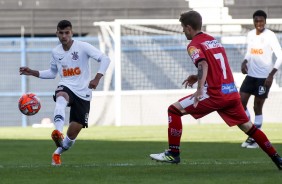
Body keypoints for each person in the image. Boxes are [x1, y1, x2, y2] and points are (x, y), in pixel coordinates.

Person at [149, 10, 282, 170]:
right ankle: (278, 159)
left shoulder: (193, 45)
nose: (183, 31)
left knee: (173, 110)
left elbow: (203, 64)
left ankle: (173, 153)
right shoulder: (213, 41)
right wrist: (197, 77)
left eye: (183, 28)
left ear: (189, 27)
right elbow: (215, 67)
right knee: (249, 128)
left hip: (214, 94)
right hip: (231, 93)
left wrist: (199, 89)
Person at [19, 20, 110, 166]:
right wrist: (32, 72)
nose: (64, 36)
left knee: (71, 137)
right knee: (61, 97)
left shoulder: (82, 46)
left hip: (83, 93)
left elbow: (105, 59)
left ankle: (57, 153)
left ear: (71, 33)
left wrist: (97, 78)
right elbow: (52, 73)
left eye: (66, 32)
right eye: (60, 33)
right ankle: (58, 132)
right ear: (57, 34)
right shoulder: (56, 52)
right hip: (66, 86)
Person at [240, 10, 282, 148]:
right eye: (256, 21)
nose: (259, 23)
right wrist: (245, 61)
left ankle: (255, 138)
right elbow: (249, 51)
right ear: (253, 21)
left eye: (261, 21)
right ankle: (253, 135)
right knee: (241, 104)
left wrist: (271, 75)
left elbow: (280, 56)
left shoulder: (270, 35)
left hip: (264, 78)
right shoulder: (250, 34)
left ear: (265, 21)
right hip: (251, 75)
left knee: (257, 107)